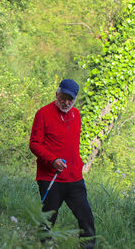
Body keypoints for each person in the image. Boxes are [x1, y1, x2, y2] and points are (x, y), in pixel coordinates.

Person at [29, 79, 95, 248]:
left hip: (74, 178)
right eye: (63, 97)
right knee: (48, 219)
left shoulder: (76, 115)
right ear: (56, 94)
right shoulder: (43, 113)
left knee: (86, 217)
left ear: (75, 99)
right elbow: (34, 144)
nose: (66, 102)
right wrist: (52, 160)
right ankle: (46, 246)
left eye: (70, 99)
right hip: (50, 178)